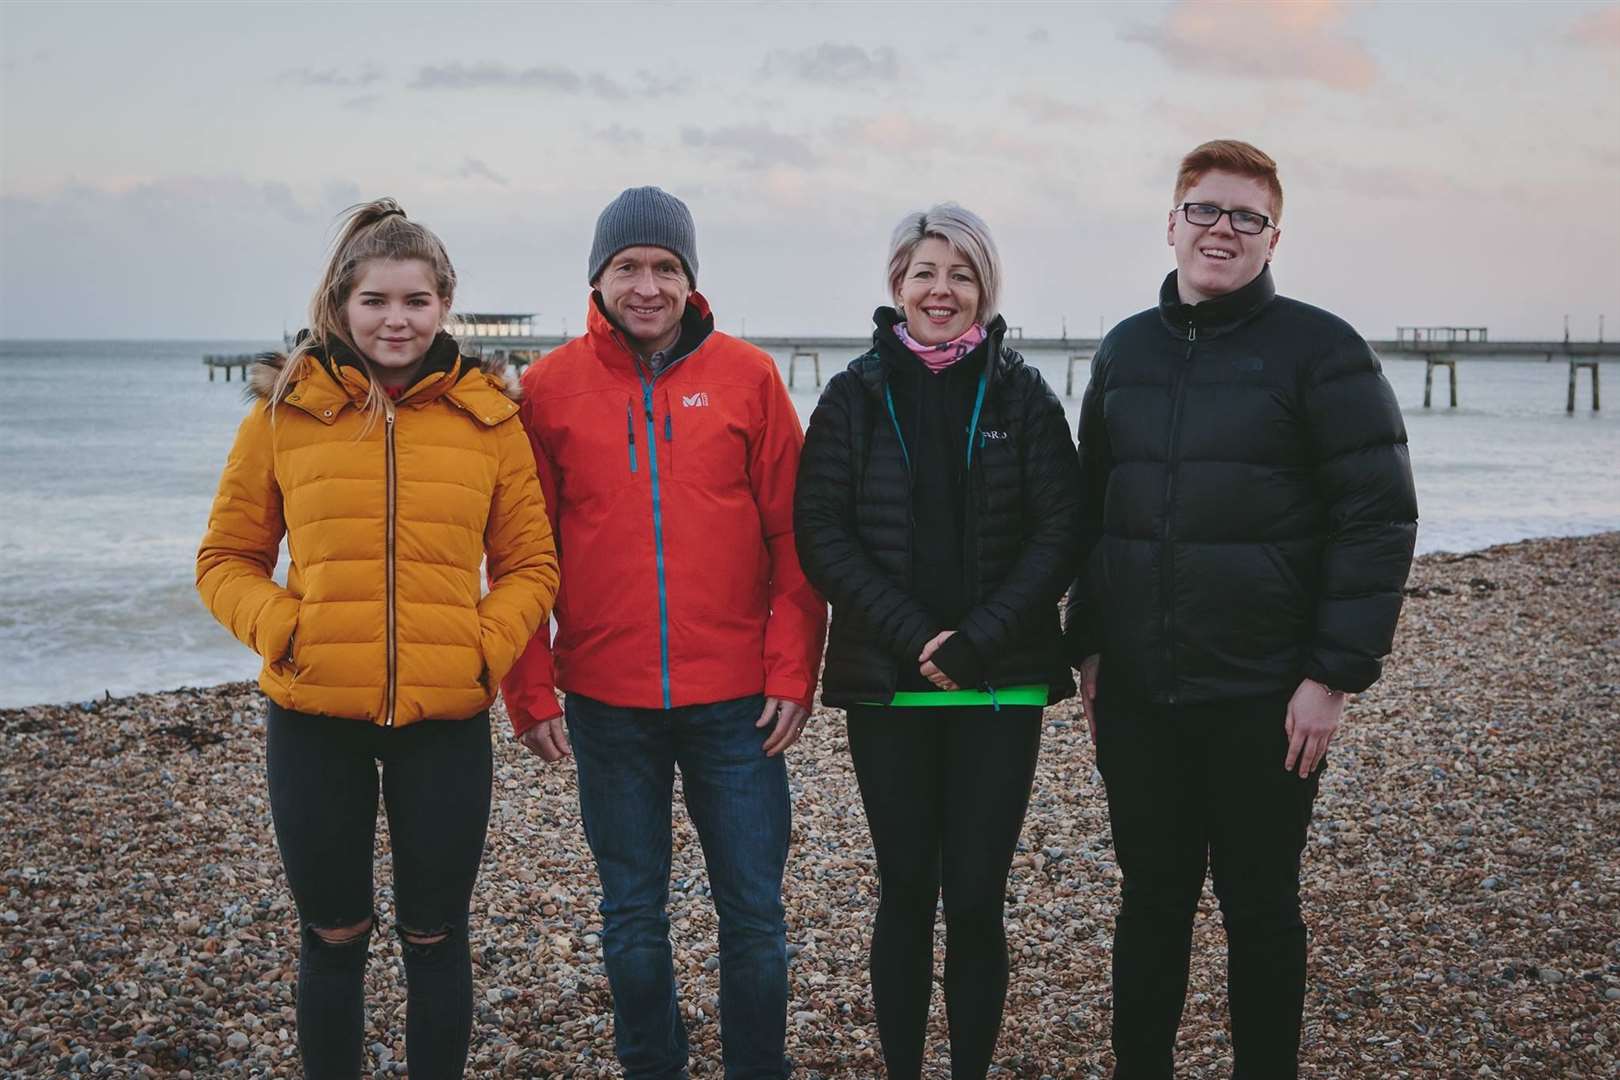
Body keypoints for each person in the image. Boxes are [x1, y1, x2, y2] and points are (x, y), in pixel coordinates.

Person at [1066, 140, 1418, 1079]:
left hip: (1268, 695)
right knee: (1152, 901)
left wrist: (1333, 675)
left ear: (1273, 235)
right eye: (1206, 211)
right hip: (1141, 692)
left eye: (1246, 217)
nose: (1223, 230)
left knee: (1261, 907)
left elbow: (1378, 518)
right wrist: (1090, 643)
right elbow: (1094, 508)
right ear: (1172, 221)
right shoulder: (1125, 350)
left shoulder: (1322, 349)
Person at [196, 199, 559, 1080]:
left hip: (445, 720)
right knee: (333, 934)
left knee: (435, 936)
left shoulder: (489, 420)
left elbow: (531, 566)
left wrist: (482, 648)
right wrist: (287, 629)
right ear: (340, 305)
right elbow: (226, 558)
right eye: (375, 301)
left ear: (445, 306)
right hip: (315, 717)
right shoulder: (283, 416)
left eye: (416, 301)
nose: (396, 319)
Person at [502, 185, 826, 1079]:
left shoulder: (749, 378)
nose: (648, 285)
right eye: (629, 267)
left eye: (666, 268)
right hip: (607, 701)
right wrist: (529, 688)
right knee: (632, 913)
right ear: (597, 279)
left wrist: (793, 670)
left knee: (755, 916)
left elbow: (795, 537)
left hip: (738, 703)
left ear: (691, 279)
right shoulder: (548, 388)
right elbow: (519, 551)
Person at [794, 204, 1081, 1079]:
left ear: (985, 289)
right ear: (897, 286)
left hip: (1001, 685)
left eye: (961, 275)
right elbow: (822, 534)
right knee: (907, 891)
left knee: (980, 899)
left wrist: (978, 642)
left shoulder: (1024, 394)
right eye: (925, 273)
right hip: (890, 683)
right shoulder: (852, 395)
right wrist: (921, 636)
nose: (941, 291)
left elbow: (1062, 530)